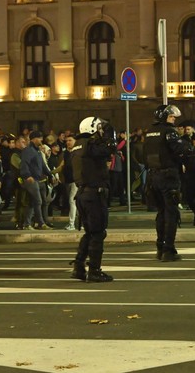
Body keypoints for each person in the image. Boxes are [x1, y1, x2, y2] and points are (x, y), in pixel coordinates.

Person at [70, 116, 116, 282]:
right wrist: (108, 136)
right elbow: (109, 149)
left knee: (90, 232)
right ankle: (94, 270)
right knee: (98, 233)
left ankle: (79, 266)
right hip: (93, 193)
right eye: (98, 129)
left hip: (83, 193)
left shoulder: (77, 145)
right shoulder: (90, 144)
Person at [144, 104, 189, 262]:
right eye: (171, 117)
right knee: (171, 214)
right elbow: (179, 149)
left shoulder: (150, 132)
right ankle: (168, 250)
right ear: (164, 116)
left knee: (161, 213)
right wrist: (187, 146)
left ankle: (159, 247)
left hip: (153, 177)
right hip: (168, 176)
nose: (174, 120)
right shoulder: (169, 131)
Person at [18, 131, 52, 230]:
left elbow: (43, 165)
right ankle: (41, 223)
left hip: (37, 179)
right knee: (38, 201)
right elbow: (24, 164)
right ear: (33, 139)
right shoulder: (28, 150)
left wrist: (50, 175)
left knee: (32, 202)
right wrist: (27, 176)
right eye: (39, 138)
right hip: (30, 179)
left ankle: (27, 224)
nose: (41, 140)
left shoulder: (37, 151)